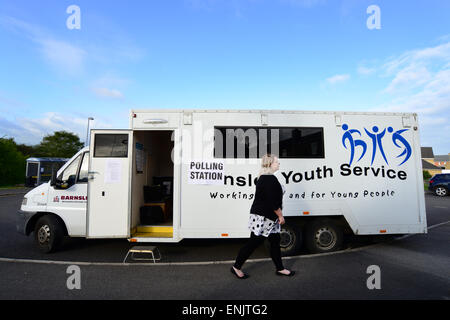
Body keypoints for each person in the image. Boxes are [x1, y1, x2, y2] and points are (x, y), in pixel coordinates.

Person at [230, 154, 295, 279]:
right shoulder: (269, 179)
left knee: (275, 241)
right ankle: (236, 267)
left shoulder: (264, 178)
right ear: (270, 164)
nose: (279, 164)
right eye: (277, 162)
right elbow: (273, 202)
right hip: (264, 218)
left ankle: (280, 268)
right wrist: (281, 216)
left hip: (266, 216)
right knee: (254, 242)